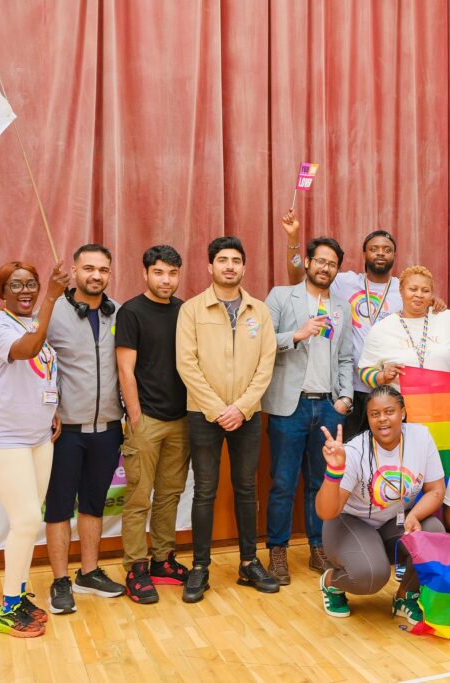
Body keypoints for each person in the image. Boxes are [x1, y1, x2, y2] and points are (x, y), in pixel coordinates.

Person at [176, 236, 279, 602]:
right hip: (204, 413)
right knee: (204, 490)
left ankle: (249, 562)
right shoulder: (191, 310)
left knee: (247, 488)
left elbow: (266, 364)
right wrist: (218, 408)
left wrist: (243, 407)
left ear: (244, 267)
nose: (230, 266)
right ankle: (200, 567)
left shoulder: (260, 312)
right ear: (210, 266)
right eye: (223, 260)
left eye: (236, 260)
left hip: (247, 415)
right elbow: (186, 364)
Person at [0, 260, 69, 636]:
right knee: (27, 519)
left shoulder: (34, 322)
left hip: (38, 438)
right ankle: (8, 607)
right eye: (16, 286)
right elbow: (29, 351)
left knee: (29, 522)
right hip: (3, 440)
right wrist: (51, 297)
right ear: (2, 293)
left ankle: (19, 591)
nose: (26, 290)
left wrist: (53, 407)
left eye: (31, 283)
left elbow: (45, 367)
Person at [264, 237, 354, 585]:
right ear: (308, 262)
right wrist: (297, 335)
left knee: (321, 483)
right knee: (283, 482)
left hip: (328, 408)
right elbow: (261, 343)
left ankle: (319, 546)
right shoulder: (281, 296)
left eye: (332, 264)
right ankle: (277, 551)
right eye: (320, 261)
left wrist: (344, 398)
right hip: (290, 404)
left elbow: (345, 357)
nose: (325, 268)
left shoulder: (341, 307)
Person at [315, 386, 446, 624]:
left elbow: (436, 490)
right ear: (369, 418)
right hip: (348, 523)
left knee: (433, 533)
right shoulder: (354, 451)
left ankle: (405, 596)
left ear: (403, 413)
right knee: (371, 576)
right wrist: (334, 471)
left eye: (389, 411)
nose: (382, 419)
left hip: (391, 522)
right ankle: (331, 583)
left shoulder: (421, 437)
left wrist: (414, 515)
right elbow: (326, 512)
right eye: (375, 414)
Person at [44, 244, 126, 614]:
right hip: (66, 431)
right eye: (89, 268)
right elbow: (34, 366)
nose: (96, 275)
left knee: (94, 503)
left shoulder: (119, 313)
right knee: (60, 507)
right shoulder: (54, 311)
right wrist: (45, 410)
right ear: (74, 270)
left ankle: (88, 572)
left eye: (103, 270)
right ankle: (60, 580)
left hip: (108, 428)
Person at [283, 212, 414, 438]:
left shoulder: (404, 288)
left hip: (391, 387)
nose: (380, 253)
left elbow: (423, 305)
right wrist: (293, 239)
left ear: (394, 255)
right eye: (374, 248)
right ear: (364, 254)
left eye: (387, 249)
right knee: (349, 455)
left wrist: (436, 303)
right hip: (350, 388)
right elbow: (297, 278)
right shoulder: (344, 282)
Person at [115, 245, 190, 604]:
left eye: (172, 273)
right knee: (139, 498)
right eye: (159, 272)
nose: (166, 279)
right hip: (146, 420)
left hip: (181, 420)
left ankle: (162, 559)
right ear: (146, 273)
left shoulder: (185, 310)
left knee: (170, 496)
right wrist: (135, 417)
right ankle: (135, 567)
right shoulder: (131, 311)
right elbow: (125, 369)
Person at [357, 265, 450, 390]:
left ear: (432, 293)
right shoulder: (382, 328)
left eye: (425, 290)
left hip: (444, 403)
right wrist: (383, 377)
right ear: (401, 290)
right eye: (413, 289)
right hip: (401, 406)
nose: (419, 294)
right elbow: (364, 371)